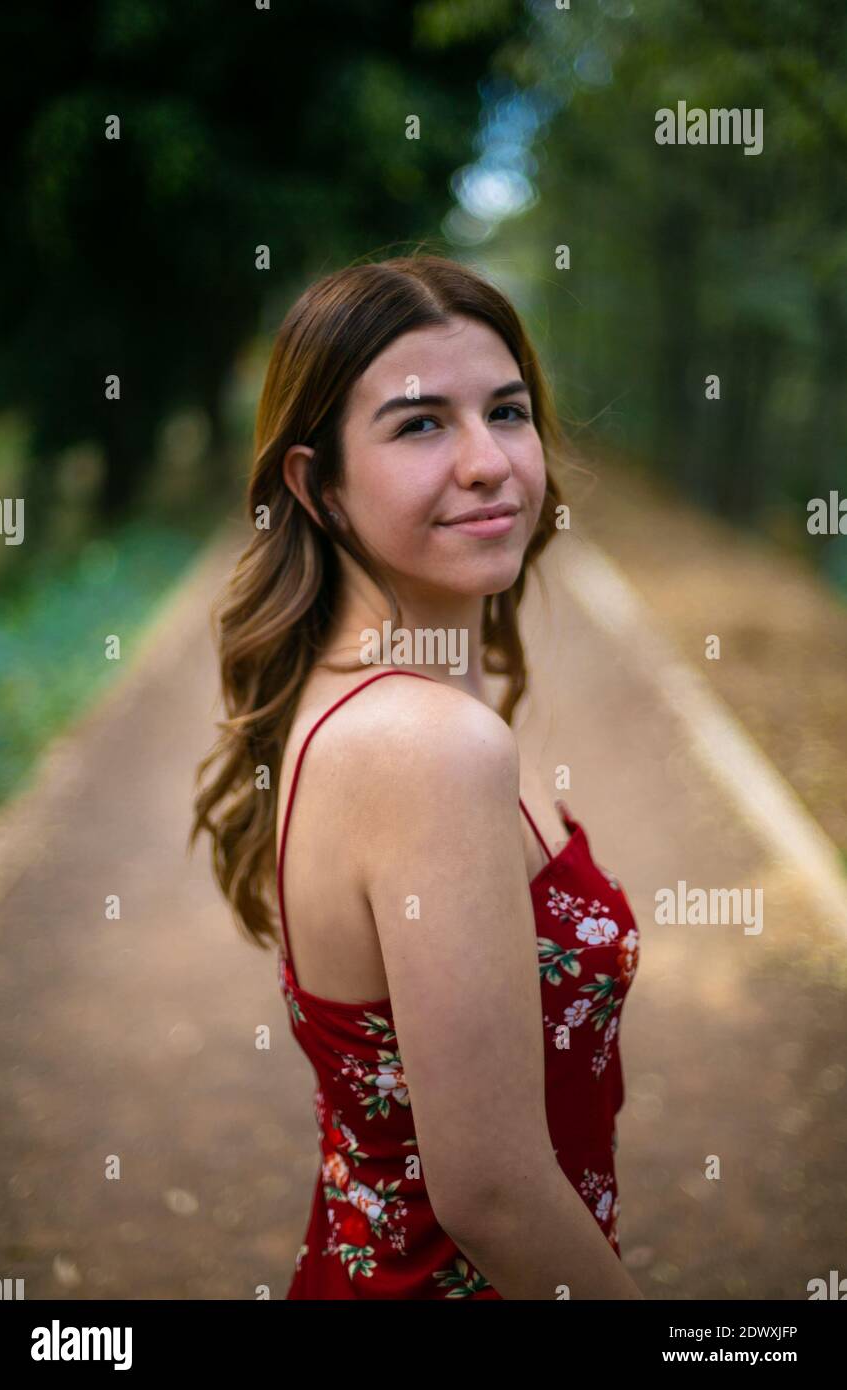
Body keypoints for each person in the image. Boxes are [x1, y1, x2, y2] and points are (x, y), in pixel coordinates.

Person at [191, 252, 644, 1300]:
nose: (489, 460)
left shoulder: (368, 691)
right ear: (317, 485)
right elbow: (490, 1193)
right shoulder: (427, 744)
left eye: (508, 411)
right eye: (419, 423)